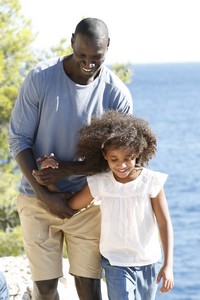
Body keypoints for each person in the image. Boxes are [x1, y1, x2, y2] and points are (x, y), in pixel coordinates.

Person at [8, 18, 133, 300]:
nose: (88, 63)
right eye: (82, 55)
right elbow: (19, 140)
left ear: (108, 47)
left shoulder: (117, 94)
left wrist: (66, 170)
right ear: (72, 40)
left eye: (96, 58)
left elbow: (118, 159)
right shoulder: (40, 78)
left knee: (89, 287)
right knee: (45, 287)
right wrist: (43, 195)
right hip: (36, 200)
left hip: (88, 204)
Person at [42, 110, 174, 300]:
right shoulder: (100, 182)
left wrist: (168, 265)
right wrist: (49, 180)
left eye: (128, 158)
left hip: (149, 261)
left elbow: (164, 223)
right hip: (115, 262)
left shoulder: (151, 182)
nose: (121, 165)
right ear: (104, 155)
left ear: (138, 153)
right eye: (114, 159)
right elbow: (70, 206)